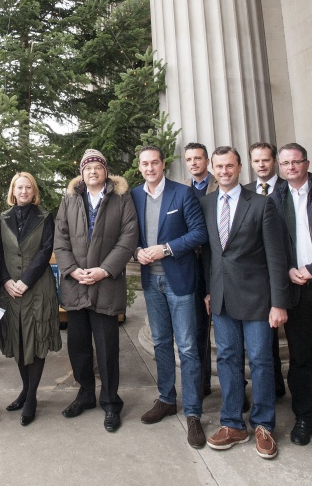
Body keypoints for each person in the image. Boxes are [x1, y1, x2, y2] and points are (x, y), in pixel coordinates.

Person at [201, 146, 289, 460]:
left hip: (257, 299)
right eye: (219, 166)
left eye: (230, 166)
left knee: (262, 361)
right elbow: (211, 253)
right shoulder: (207, 203)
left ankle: (264, 425)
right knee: (227, 359)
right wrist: (210, 291)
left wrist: (278, 303)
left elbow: (276, 257)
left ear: (240, 168)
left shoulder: (262, 205)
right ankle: (233, 423)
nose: (224, 171)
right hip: (223, 297)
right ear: (212, 168)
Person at [54, 149, 138, 433]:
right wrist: (72, 269)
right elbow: (60, 238)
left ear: (106, 172)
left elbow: (128, 238)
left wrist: (103, 270)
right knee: (77, 346)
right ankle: (86, 394)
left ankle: (111, 402)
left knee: (107, 349)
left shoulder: (121, 200)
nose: (92, 171)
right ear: (81, 173)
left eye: (97, 167)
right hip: (75, 285)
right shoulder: (69, 200)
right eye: (87, 167)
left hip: (106, 284)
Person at [131, 145, 208, 448]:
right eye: (145, 164)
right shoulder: (135, 196)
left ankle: (193, 412)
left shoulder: (182, 193)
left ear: (163, 165)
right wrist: (137, 250)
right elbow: (131, 234)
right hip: (152, 282)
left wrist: (164, 248)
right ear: (140, 168)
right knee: (161, 342)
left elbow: (199, 233)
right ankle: (166, 398)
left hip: (180, 279)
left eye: (154, 163)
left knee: (188, 347)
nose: (150, 168)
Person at [0, 172, 61, 426]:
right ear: (13, 191)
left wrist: (25, 281)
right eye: (19, 187)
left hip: (36, 288)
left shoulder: (45, 217)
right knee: (19, 340)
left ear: (34, 192)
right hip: (10, 290)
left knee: (37, 339)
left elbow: (46, 251)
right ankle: (25, 389)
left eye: (28, 188)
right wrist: (6, 281)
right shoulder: (2, 218)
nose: (23, 191)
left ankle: (31, 397)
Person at [265, 143, 312, 445]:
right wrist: (286, 272)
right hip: (296, 287)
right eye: (286, 163)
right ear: (279, 167)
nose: (291, 167)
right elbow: (272, 246)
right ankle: (304, 416)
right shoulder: (273, 200)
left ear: (306, 163)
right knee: (301, 357)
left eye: (296, 162)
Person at [245, 142, 286, 398]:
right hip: (260, 276)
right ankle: (274, 386)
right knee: (265, 340)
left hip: (290, 270)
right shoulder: (246, 191)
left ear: (274, 161)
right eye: (256, 161)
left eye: (266, 160)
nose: (261, 164)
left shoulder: (288, 188)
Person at [184, 142, 218, 398]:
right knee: (198, 327)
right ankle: (203, 381)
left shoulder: (221, 186)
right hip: (193, 266)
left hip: (219, 263)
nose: (194, 163)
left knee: (230, 328)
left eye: (198, 158)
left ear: (207, 161)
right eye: (189, 159)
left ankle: (236, 388)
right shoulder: (183, 192)